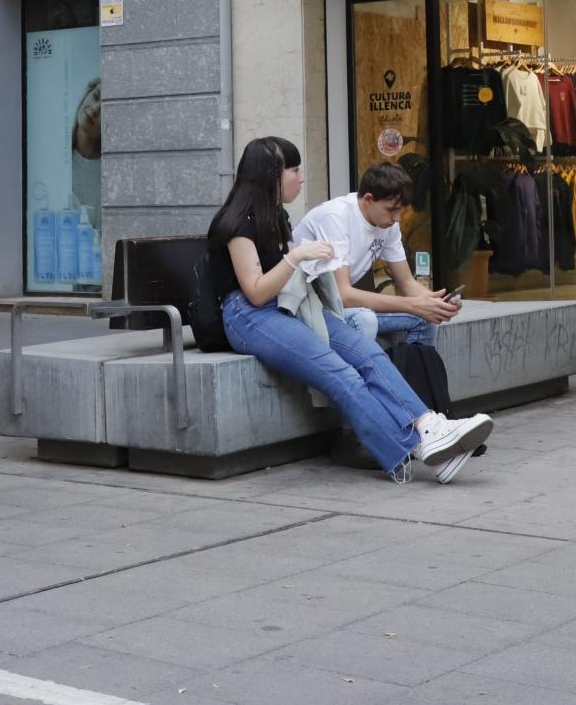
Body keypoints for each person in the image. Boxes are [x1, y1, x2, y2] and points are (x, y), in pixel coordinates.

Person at [208, 137, 494, 484]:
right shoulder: (235, 222)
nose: (301, 178)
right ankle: (419, 449)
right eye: (294, 169)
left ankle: (430, 426)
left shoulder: (276, 216)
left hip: (290, 304)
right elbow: (254, 292)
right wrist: (296, 256)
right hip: (248, 316)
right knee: (341, 374)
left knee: (369, 355)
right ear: (270, 174)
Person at [294, 163, 457, 349]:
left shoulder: (388, 224)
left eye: (400, 211)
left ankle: (411, 376)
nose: (397, 219)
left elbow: (407, 283)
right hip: (309, 308)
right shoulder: (335, 216)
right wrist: (413, 305)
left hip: (337, 307)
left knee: (427, 318)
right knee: (364, 320)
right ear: (368, 199)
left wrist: (438, 304)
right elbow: (343, 295)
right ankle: (364, 378)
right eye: (391, 210)